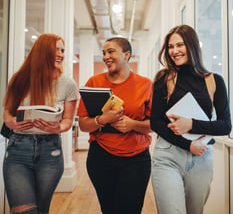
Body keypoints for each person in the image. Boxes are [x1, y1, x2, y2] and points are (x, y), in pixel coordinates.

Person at [150, 24, 232, 214]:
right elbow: (155, 121)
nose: (174, 51)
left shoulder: (214, 80)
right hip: (168, 156)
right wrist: (187, 145)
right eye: (170, 47)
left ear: (192, 46)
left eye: (180, 45)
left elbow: (225, 126)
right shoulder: (164, 79)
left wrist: (191, 125)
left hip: (201, 158)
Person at [3, 33, 78, 214]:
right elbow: (7, 112)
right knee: (24, 211)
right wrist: (11, 122)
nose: (61, 54)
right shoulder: (19, 79)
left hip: (49, 152)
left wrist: (59, 127)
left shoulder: (68, 84)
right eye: (56, 50)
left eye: (63, 50)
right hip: (18, 150)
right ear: (42, 52)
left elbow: (68, 119)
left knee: (41, 210)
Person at [77, 37, 153, 214]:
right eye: (103, 53)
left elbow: (153, 125)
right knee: (109, 209)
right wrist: (102, 119)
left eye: (111, 51)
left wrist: (132, 124)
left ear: (127, 55)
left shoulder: (145, 84)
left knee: (130, 210)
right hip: (101, 157)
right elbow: (83, 124)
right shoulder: (94, 83)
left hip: (136, 159)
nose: (106, 56)